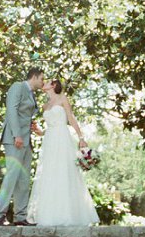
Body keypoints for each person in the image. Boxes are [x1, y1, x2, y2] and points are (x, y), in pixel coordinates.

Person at [26, 78, 99, 226]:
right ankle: (50, 215)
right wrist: (39, 132)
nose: (43, 84)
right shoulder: (45, 106)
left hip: (63, 138)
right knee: (50, 173)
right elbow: (48, 128)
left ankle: (69, 215)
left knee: (65, 171)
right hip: (50, 141)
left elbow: (71, 118)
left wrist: (81, 137)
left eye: (46, 82)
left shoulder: (63, 98)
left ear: (53, 85)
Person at [0, 68, 44, 226]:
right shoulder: (18, 86)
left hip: (27, 141)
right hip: (15, 139)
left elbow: (24, 114)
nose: (43, 82)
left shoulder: (32, 94)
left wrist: (31, 125)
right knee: (12, 176)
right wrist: (17, 135)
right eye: (41, 79)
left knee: (24, 179)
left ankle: (20, 217)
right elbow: (11, 110)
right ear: (33, 77)